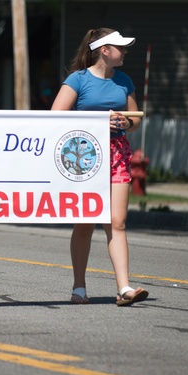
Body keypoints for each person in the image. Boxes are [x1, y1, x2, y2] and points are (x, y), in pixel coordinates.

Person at [51, 27, 149, 307]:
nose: (125, 51)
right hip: (86, 156)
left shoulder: (124, 81)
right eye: (120, 47)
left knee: (117, 222)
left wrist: (125, 122)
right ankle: (79, 287)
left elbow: (135, 119)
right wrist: (96, 123)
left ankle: (124, 288)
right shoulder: (78, 80)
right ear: (104, 50)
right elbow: (56, 117)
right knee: (85, 224)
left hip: (118, 153)